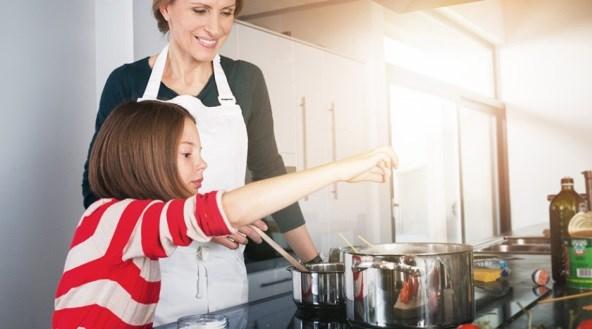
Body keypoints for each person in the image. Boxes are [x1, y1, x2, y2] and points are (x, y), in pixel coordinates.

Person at [55, 100, 397, 329]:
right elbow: (215, 209)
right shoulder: (113, 217)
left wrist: (213, 226)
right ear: (142, 158)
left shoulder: (130, 221)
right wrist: (340, 169)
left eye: (200, 151)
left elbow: (195, 217)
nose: (202, 163)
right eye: (187, 153)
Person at [81, 0, 322, 323]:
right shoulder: (128, 83)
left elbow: (270, 174)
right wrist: (199, 226)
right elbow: (98, 193)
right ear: (166, 9)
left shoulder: (245, 79)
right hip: (149, 283)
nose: (216, 28)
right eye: (200, 10)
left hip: (227, 287)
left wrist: (317, 267)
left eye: (226, 12)